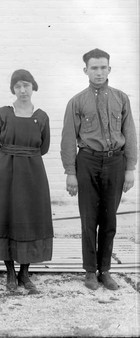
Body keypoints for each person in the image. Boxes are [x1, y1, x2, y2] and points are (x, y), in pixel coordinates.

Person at [61, 48, 137, 291]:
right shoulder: (76, 101)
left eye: (103, 67)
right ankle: (90, 272)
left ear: (109, 69)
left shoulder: (121, 98)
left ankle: (105, 271)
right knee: (88, 219)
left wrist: (130, 168)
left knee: (109, 219)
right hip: (88, 162)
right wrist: (71, 173)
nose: (99, 72)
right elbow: (68, 138)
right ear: (86, 70)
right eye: (94, 68)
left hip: (116, 162)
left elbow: (130, 134)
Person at [0, 69, 53, 294]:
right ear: (13, 89)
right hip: (6, 172)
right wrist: (10, 156)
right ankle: (10, 272)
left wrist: (24, 157)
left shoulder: (42, 116)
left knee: (30, 218)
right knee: (6, 216)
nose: (22, 90)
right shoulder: (3, 113)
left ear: (33, 87)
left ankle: (25, 272)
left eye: (26, 85)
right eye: (17, 86)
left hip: (33, 174)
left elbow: (43, 147)